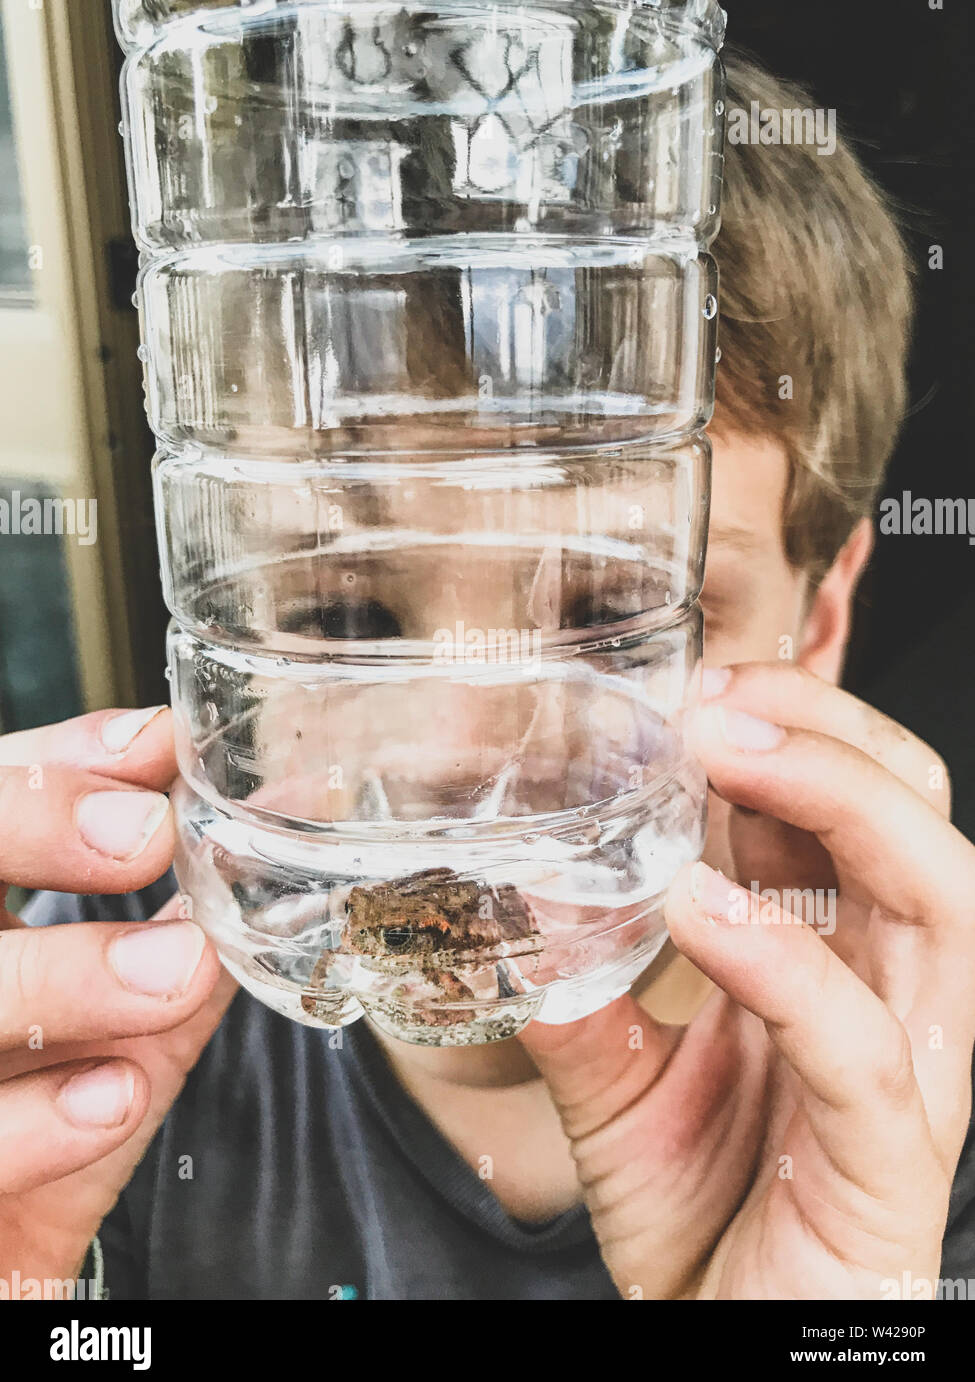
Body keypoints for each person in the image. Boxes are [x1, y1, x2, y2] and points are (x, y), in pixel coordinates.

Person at [2, 50, 973, 1301]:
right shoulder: (97, 1025)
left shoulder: (915, 1111)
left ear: (820, 618)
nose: (459, 756)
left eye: (616, 614)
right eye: (341, 610)